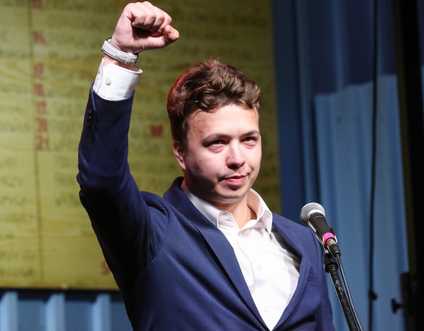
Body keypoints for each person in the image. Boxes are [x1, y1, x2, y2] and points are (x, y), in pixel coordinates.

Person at [77, 2, 335, 330]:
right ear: (180, 152)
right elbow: (101, 180)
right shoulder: (152, 235)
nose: (238, 158)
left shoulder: (305, 242)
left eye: (249, 140)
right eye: (217, 142)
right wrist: (121, 56)